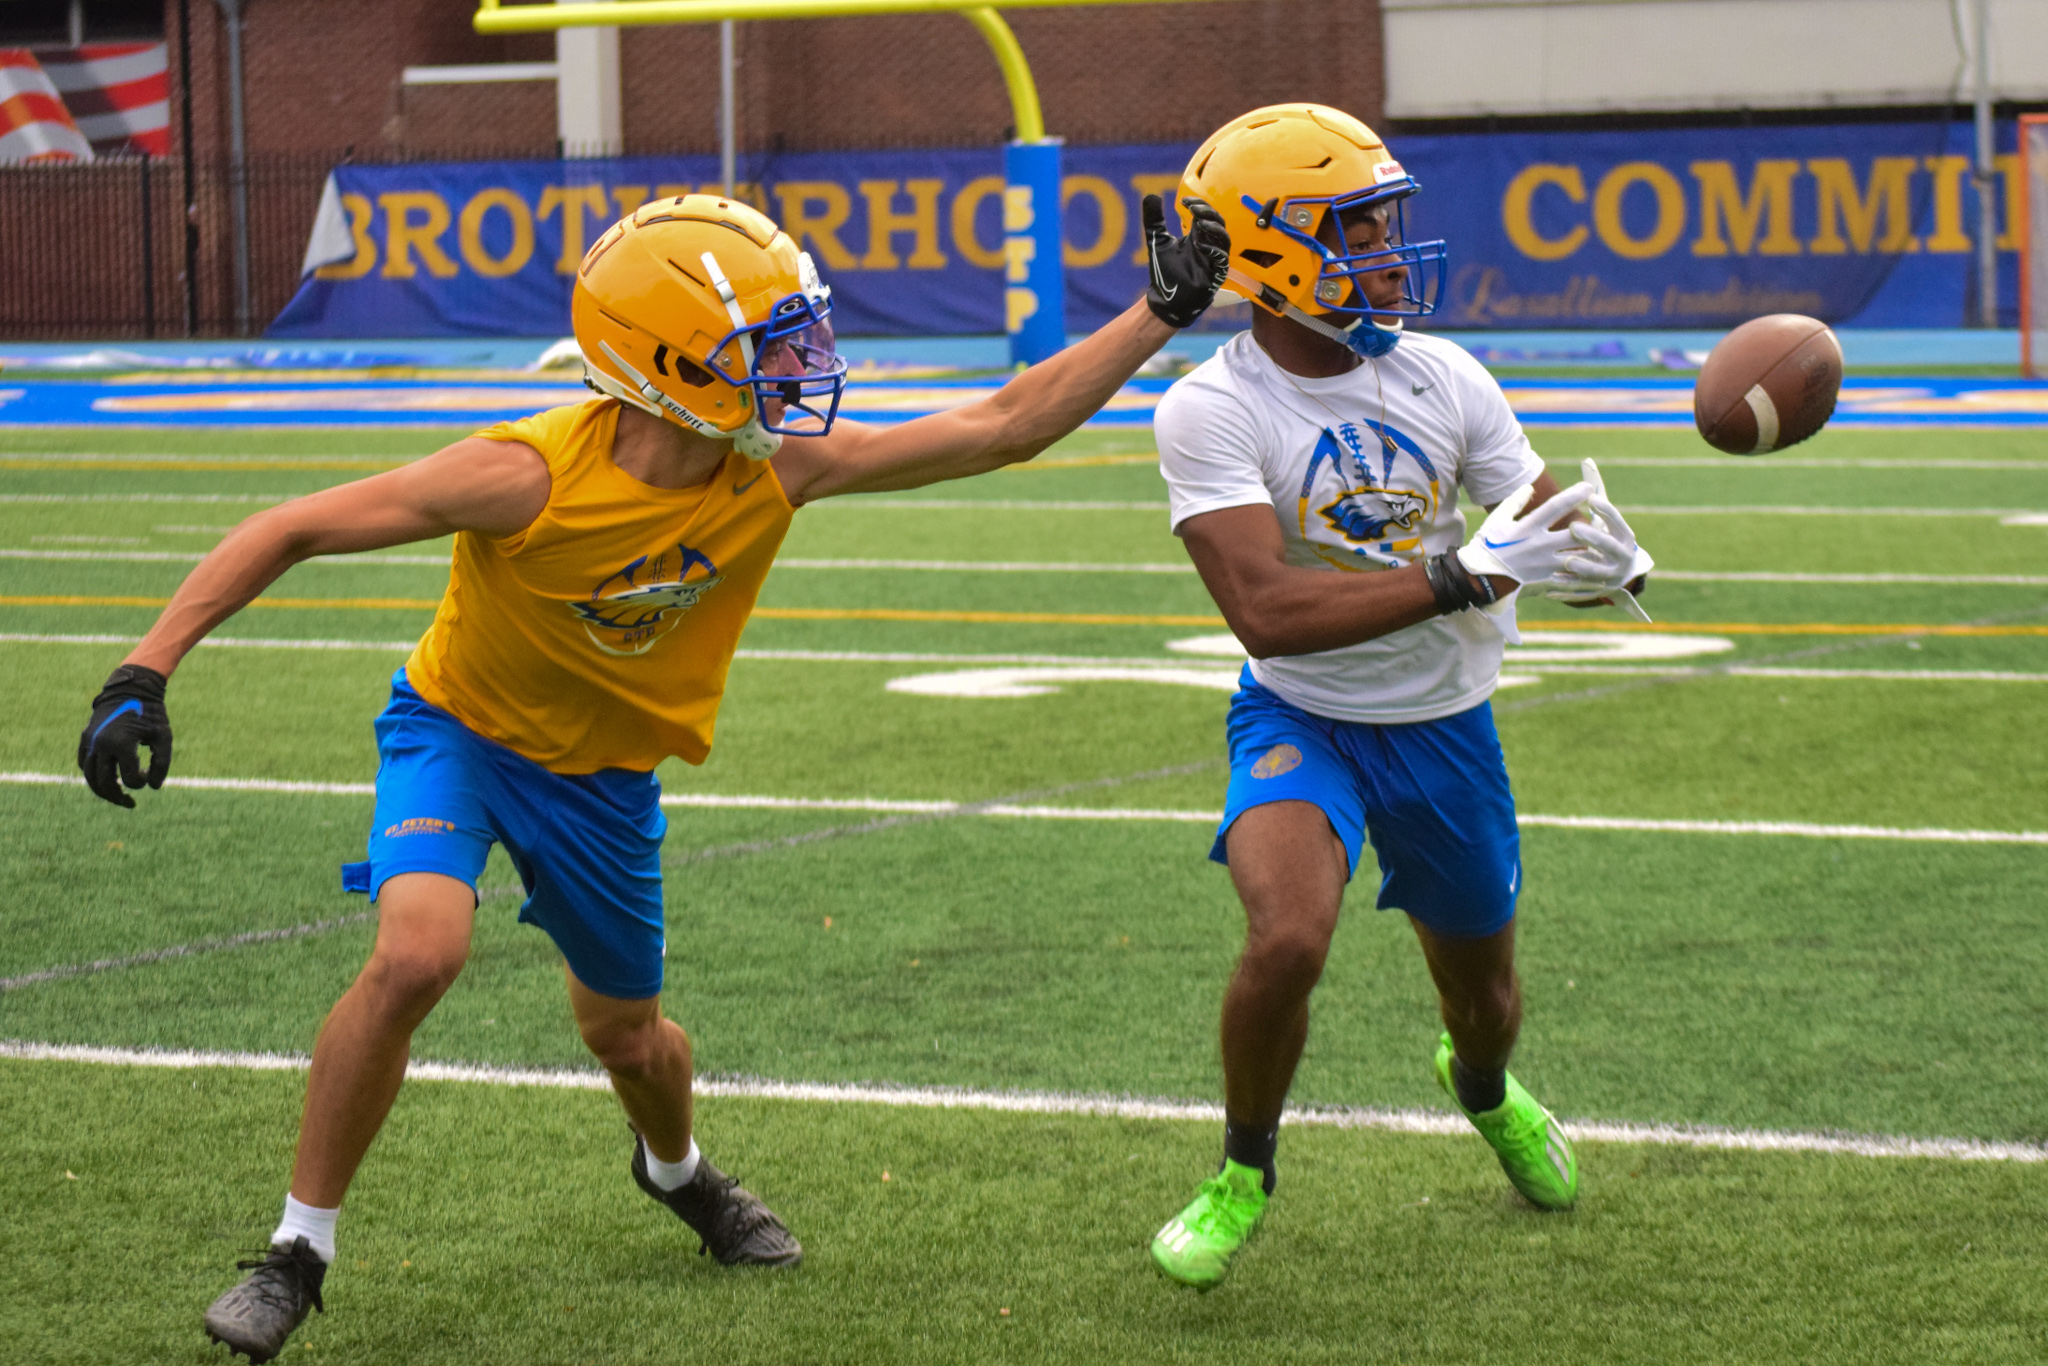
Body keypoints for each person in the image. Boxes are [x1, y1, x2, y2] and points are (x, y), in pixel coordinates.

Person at [76, 191, 1230, 1361]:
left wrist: (1160, 311)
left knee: (632, 1039)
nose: (800, 363)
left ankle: (674, 1169)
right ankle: (297, 1252)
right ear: (668, 362)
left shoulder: (778, 465)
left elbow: (1005, 424)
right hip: (458, 737)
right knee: (418, 950)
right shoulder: (522, 473)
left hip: (606, 784)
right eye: (762, 343)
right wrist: (142, 669)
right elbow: (291, 525)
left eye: (795, 331)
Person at [1143, 105, 1653, 1289]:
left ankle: (1478, 1089)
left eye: (1383, 223)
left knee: (1483, 1000)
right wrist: (1457, 571)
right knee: (1285, 936)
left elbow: (1533, 516)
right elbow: (1264, 611)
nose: (1382, 251)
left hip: (1442, 723)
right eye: (1353, 228)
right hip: (1299, 709)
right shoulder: (1209, 408)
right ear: (1267, 251)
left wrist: (1595, 558)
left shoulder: (1444, 373)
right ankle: (1240, 1171)